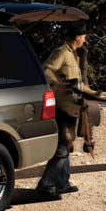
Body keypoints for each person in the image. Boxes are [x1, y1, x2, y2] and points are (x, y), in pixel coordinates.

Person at [37, 21, 87, 197]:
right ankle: (46, 184)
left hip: (71, 107)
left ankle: (62, 183)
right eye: (83, 36)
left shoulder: (74, 54)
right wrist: (56, 84)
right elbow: (46, 69)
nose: (85, 38)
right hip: (62, 108)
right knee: (62, 147)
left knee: (67, 145)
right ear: (77, 37)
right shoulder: (61, 52)